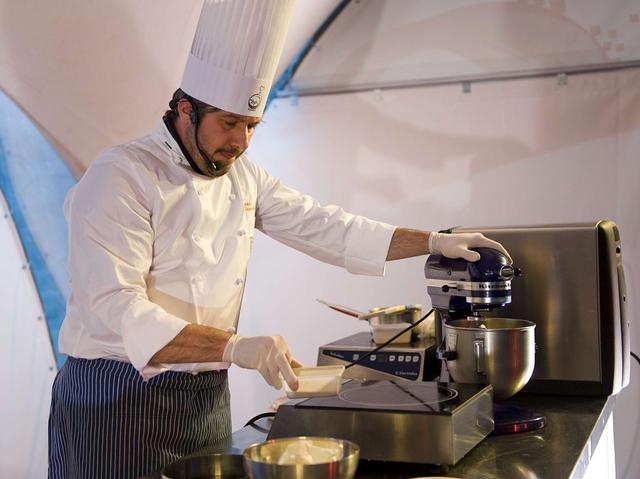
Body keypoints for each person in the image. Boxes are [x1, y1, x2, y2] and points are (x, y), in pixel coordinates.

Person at [47, 1, 511, 478]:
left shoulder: (241, 176)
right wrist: (235, 346)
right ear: (185, 110)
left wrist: (432, 241)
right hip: (114, 400)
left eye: (252, 126)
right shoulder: (120, 175)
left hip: (203, 398)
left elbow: (328, 226)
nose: (242, 141)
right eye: (229, 123)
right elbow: (118, 309)